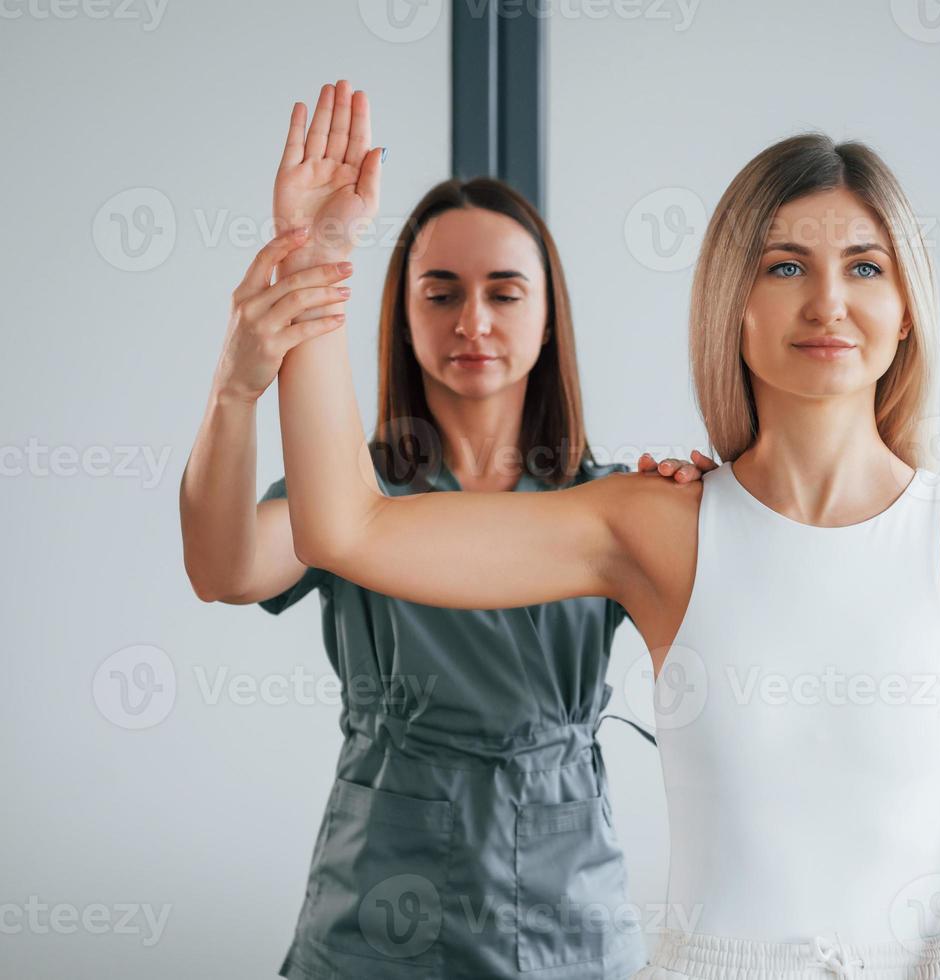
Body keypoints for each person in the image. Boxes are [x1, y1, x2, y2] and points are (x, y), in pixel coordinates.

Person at [274, 78, 940, 980]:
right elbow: (343, 528)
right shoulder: (655, 526)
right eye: (784, 266)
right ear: (734, 302)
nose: (828, 303)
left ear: (907, 307)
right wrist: (314, 263)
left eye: (864, 266)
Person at [179, 79, 712, 980]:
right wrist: (236, 390)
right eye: (441, 293)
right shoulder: (351, 495)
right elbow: (225, 568)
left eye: (505, 293)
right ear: (402, 312)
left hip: (566, 918)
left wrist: (710, 502)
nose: (474, 322)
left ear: (548, 319)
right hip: (375, 914)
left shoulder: (613, 503)